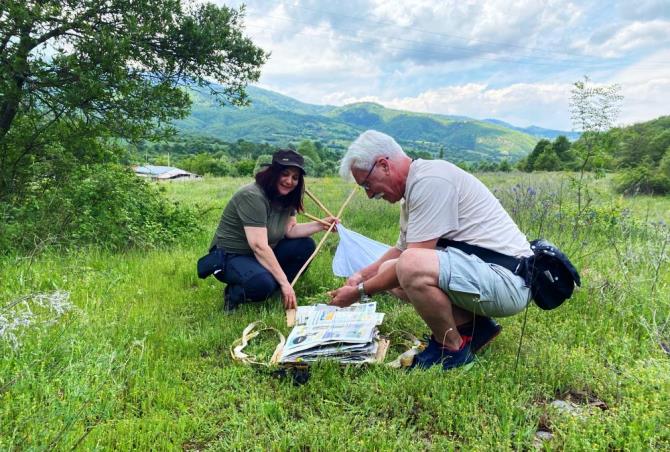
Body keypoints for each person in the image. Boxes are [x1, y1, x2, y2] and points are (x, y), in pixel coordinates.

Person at [328, 130, 532, 370]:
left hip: (508, 282)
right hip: (489, 274)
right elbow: (400, 251)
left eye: (367, 184)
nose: (370, 194)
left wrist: (360, 292)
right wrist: (361, 275)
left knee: (409, 267)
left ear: (384, 165)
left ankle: (452, 350)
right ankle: (474, 327)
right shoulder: (415, 186)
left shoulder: (431, 181)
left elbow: (412, 262)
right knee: (389, 268)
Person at [210, 149, 337, 312]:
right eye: (285, 174)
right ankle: (234, 294)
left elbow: (290, 231)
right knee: (262, 284)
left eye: (295, 177)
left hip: (258, 255)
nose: (289, 181)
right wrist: (284, 282)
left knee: (305, 245)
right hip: (230, 256)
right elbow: (259, 246)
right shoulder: (252, 196)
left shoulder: (287, 197)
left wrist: (321, 225)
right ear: (273, 172)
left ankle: (275, 291)